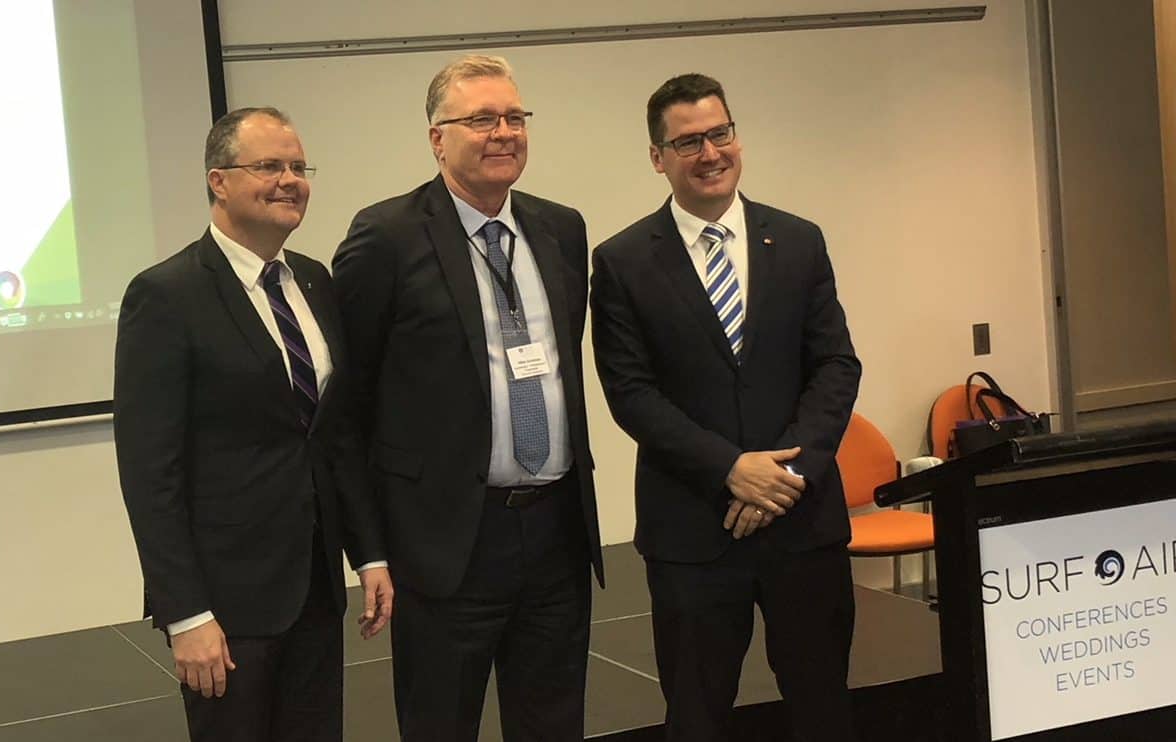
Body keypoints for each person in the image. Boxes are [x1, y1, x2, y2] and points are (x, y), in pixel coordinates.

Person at [332, 55, 603, 742]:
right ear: (437, 138)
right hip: (447, 541)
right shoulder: (386, 237)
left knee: (553, 725)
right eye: (481, 119)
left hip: (555, 534)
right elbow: (348, 410)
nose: (503, 132)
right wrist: (370, 551)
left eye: (514, 117)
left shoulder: (561, 228)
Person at [590, 73, 862, 741]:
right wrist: (730, 468)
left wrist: (788, 475)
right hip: (694, 531)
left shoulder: (798, 241)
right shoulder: (622, 262)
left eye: (720, 133)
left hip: (804, 525)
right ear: (658, 157)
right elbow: (630, 393)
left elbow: (835, 365)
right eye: (687, 141)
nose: (710, 152)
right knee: (697, 716)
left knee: (824, 707)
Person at [113, 106, 392, 742]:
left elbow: (335, 435)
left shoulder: (314, 282)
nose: (289, 179)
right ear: (219, 180)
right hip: (226, 602)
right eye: (269, 165)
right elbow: (149, 471)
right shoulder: (166, 295)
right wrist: (184, 613)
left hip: (315, 589)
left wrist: (368, 552)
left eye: (298, 166)